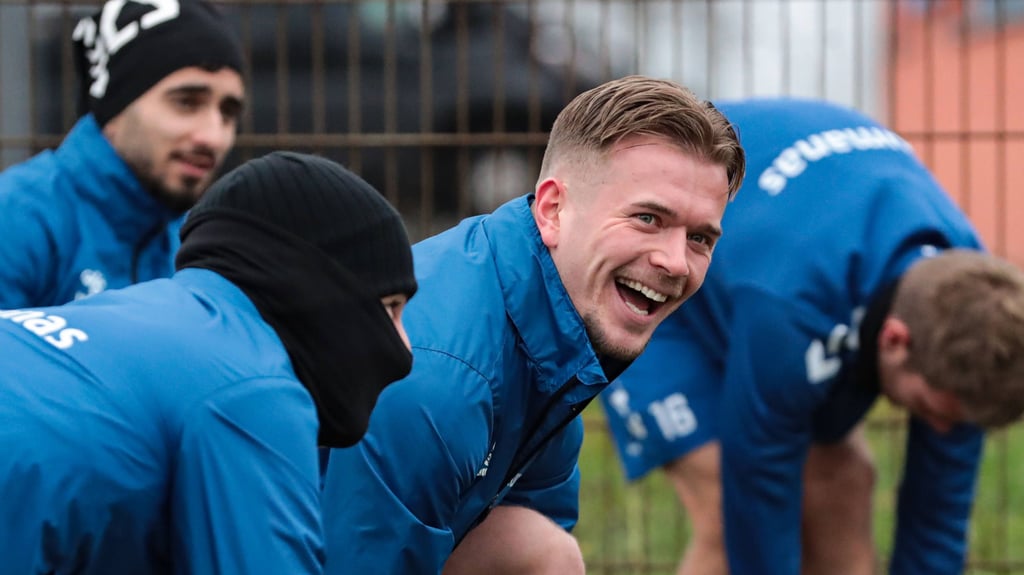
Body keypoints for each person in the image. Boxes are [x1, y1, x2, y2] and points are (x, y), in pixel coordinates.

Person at [319, 75, 746, 574]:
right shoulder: (439, 378)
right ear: (553, 209)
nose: (676, 262)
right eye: (648, 218)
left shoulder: (554, 327)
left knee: (539, 548)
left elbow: (539, 521)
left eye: (699, 238)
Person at [598, 97, 1024, 575]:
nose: (942, 431)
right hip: (664, 292)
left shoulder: (974, 309)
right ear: (897, 340)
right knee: (726, 507)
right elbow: (758, 503)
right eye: (932, 411)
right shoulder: (797, 311)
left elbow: (936, 527)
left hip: (771, 271)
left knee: (842, 484)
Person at [0, 151, 419, 574]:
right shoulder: (251, 385)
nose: (404, 347)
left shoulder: (135, 316)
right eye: (390, 307)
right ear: (316, 289)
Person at [0, 0, 245, 308]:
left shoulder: (199, 243)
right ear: (115, 110)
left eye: (228, 112)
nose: (213, 136)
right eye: (186, 102)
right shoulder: (17, 218)